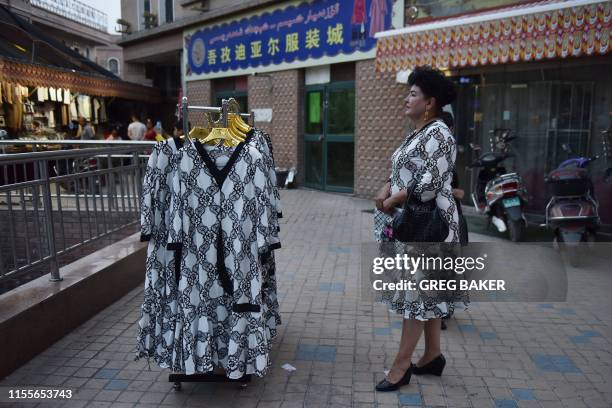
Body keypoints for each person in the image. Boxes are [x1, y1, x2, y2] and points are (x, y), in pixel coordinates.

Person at [372, 66, 469, 392]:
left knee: (416, 296)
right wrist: (387, 186)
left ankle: (402, 366)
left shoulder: (440, 134)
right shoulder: (420, 132)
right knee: (427, 294)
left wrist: (398, 195)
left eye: (413, 94)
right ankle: (432, 355)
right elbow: (405, 167)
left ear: (429, 103)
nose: (406, 98)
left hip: (429, 227)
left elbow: (430, 184)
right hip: (414, 223)